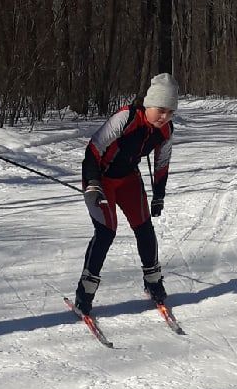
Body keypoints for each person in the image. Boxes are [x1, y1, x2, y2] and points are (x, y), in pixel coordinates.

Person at [73, 71, 179, 314]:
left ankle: (153, 282)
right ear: (149, 103)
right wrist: (92, 182)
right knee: (106, 231)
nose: (164, 116)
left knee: (144, 227)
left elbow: (162, 163)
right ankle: (85, 291)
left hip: (128, 178)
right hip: (101, 178)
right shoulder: (126, 117)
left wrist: (159, 195)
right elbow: (93, 149)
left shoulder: (165, 130)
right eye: (160, 109)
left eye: (170, 111)